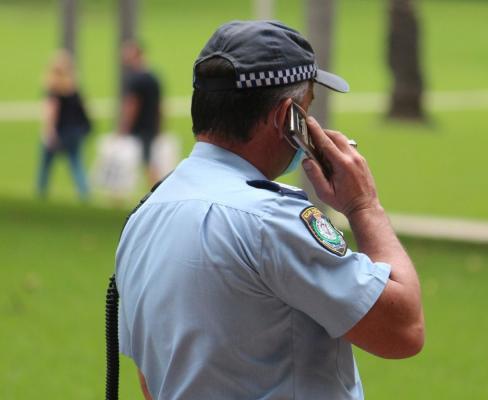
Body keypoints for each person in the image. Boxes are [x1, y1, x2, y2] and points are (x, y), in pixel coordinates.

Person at [115, 21, 424, 400]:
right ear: (286, 119)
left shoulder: (144, 217)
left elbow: (151, 378)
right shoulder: (271, 220)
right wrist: (364, 206)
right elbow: (403, 329)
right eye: (308, 110)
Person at [37, 49, 91, 200]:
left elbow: (51, 112)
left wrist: (49, 132)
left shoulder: (53, 89)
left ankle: (41, 192)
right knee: (76, 164)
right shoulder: (73, 88)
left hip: (59, 131)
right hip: (74, 133)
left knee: (46, 165)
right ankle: (84, 193)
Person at [118, 41, 162, 184]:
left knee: (137, 162)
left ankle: (155, 190)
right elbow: (159, 106)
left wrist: (124, 126)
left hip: (139, 128)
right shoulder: (153, 77)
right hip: (151, 126)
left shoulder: (135, 79)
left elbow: (132, 105)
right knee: (148, 160)